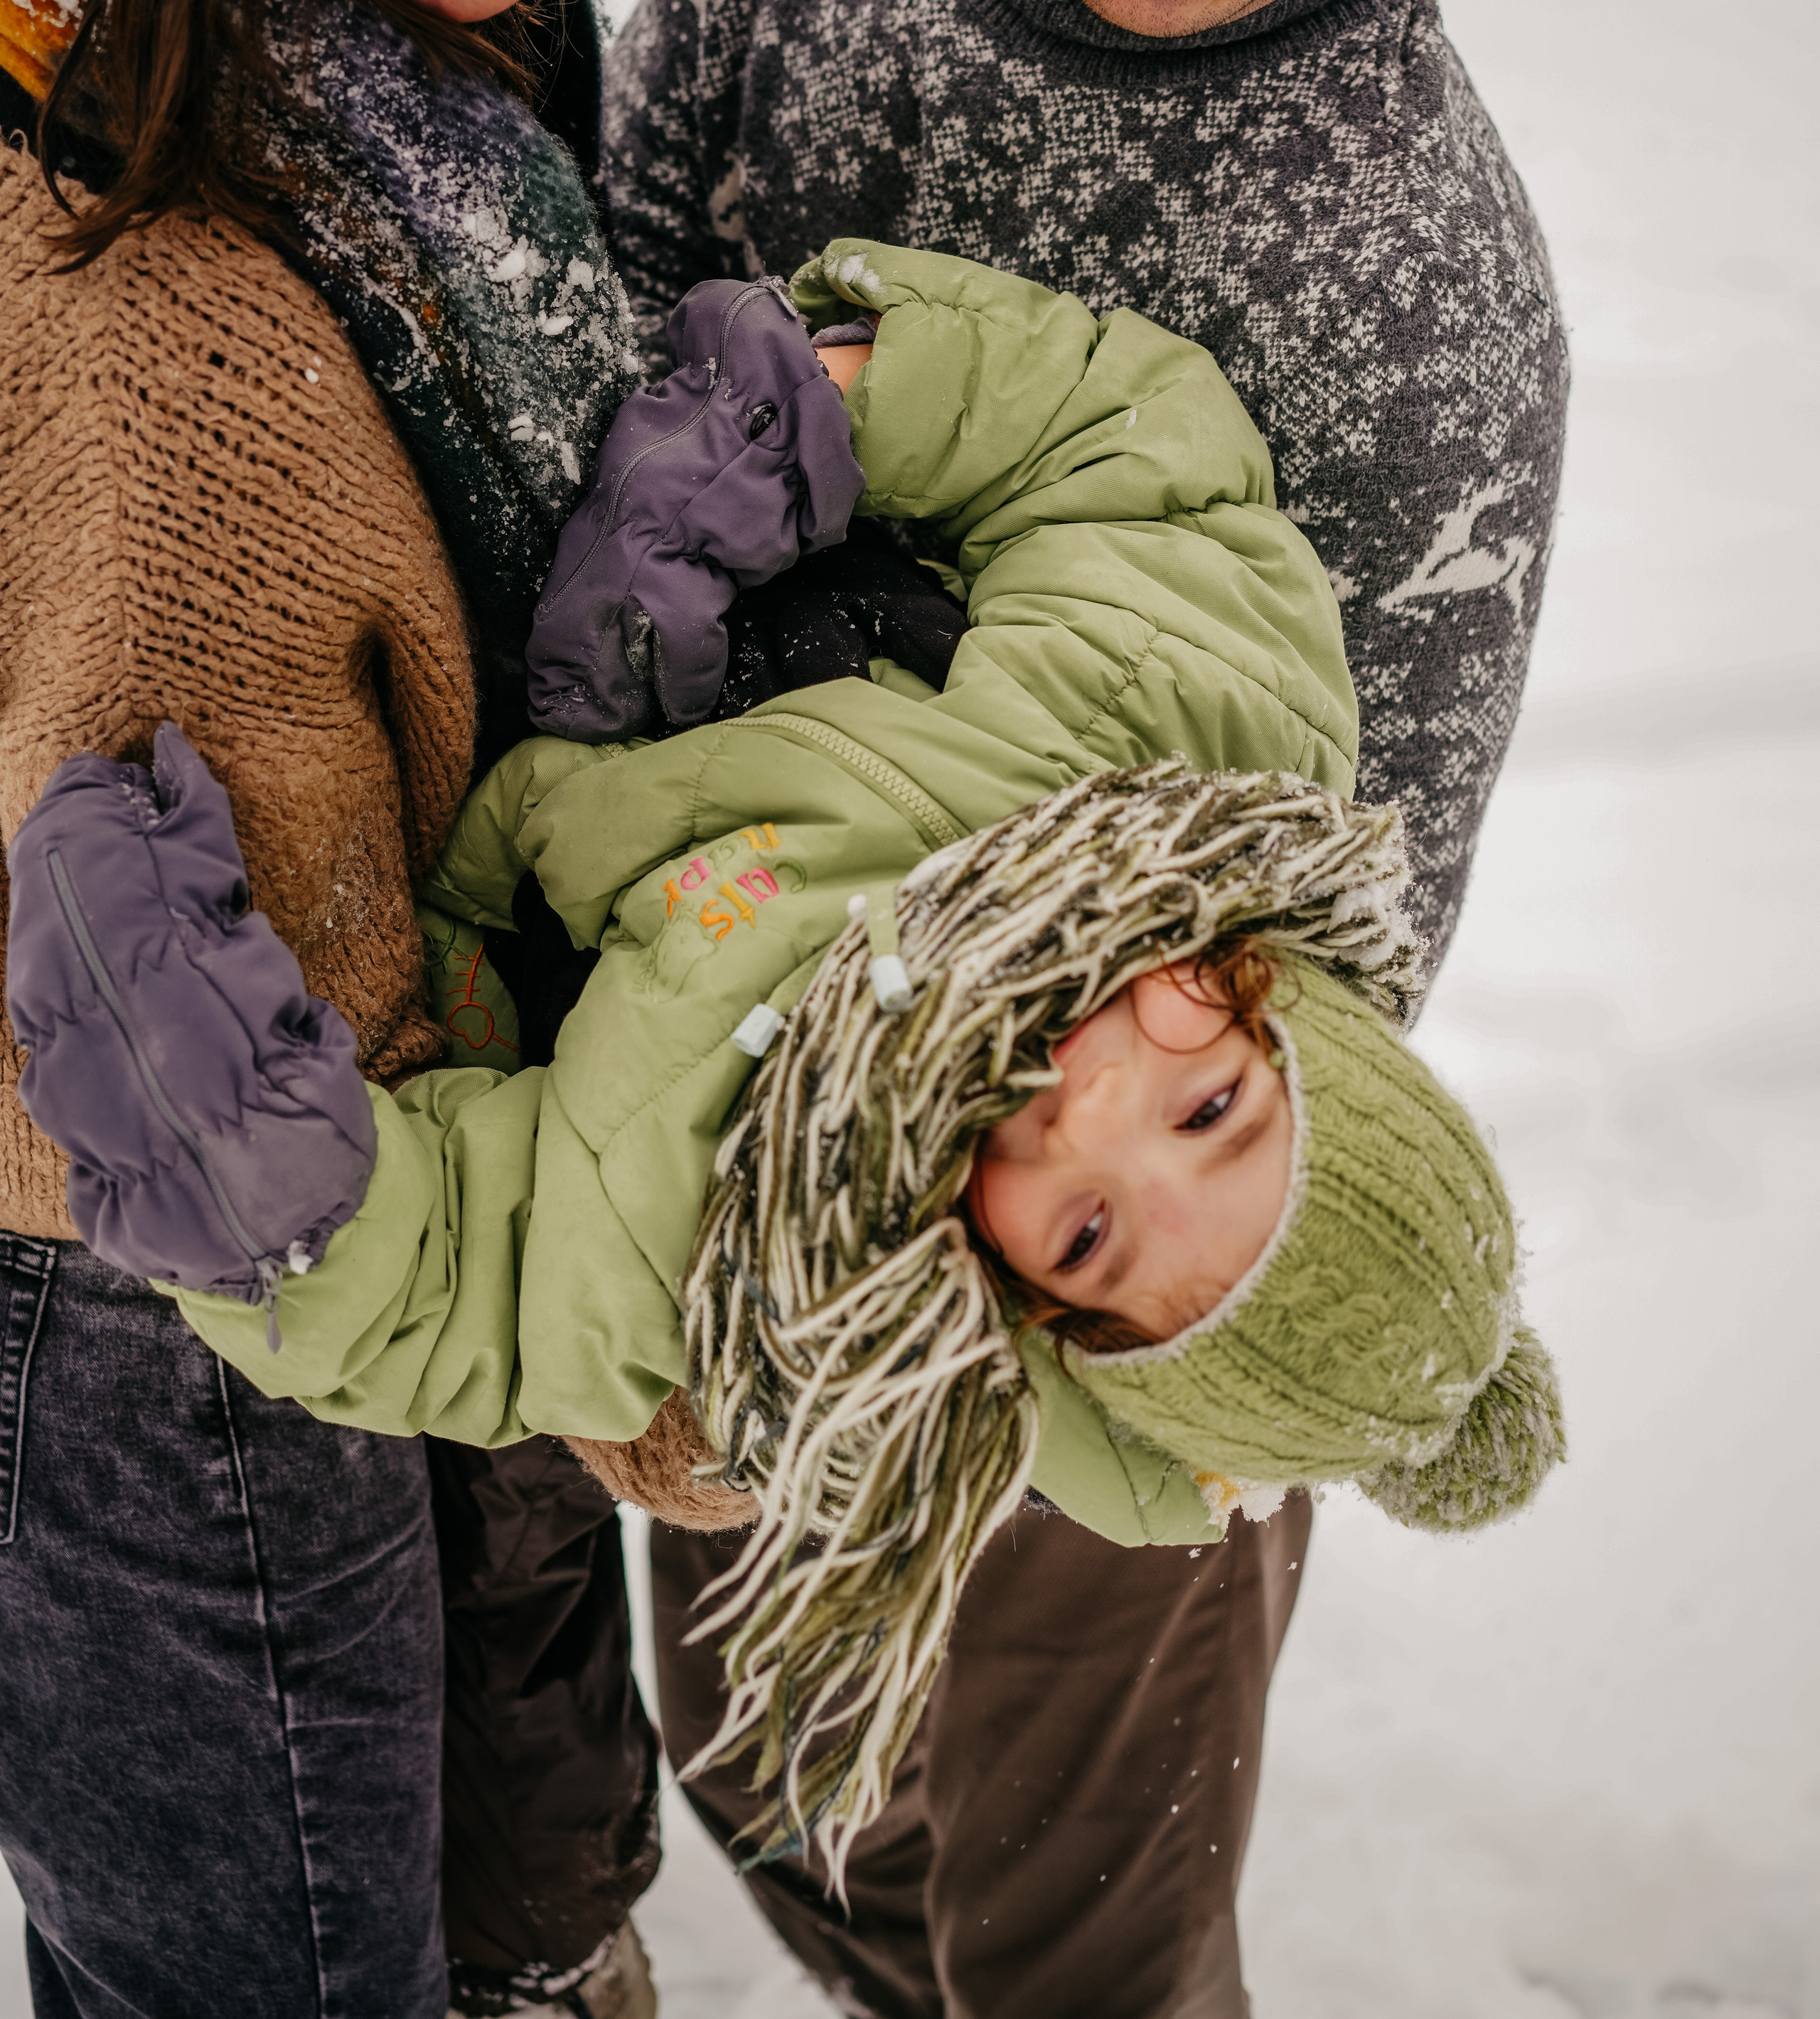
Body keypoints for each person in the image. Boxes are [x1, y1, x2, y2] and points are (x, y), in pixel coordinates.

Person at [599, 0, 1576, 2004]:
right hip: (696, 1059)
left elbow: (1336, 973)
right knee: (770, 1786)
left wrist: (981, 1301)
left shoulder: (1429, 309)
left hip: (1104, 1269)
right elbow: (613, 313)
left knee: (1065, 1946)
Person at [5, 237, 1564, 1893]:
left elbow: (468, 1292)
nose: (1082, 1108)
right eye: (1208, 1104)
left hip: (448, 827)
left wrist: (254, 1175)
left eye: (1092, 1231)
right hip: (670, 581)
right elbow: (1134, 459)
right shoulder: (1202, 720)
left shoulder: (770, 1259)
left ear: (1043, 1320)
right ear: (1284, 1006)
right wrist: (817, 418)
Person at [0, 0, 690, 2013]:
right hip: (191, 1270)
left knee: (500, 1891)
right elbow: (285, 1040)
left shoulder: (345, 4)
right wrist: (686, 1365)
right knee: (284, 1966)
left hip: (384, 1165)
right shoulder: (173, 310)